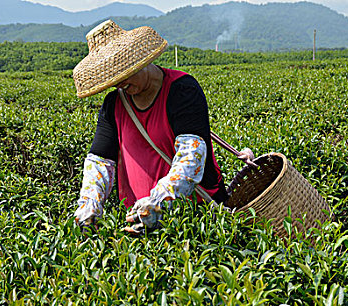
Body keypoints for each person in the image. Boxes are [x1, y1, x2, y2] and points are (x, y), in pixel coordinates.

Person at [72, 20, 253, 233]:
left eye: (124, 73)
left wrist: (159, 202)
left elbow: (190, 157)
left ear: (140, 61)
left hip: (195, 218)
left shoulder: (182, 90)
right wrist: (89, 204)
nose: (119, 82)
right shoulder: (114, 104)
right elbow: (100, 162)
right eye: (113, 78)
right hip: (139, 220)